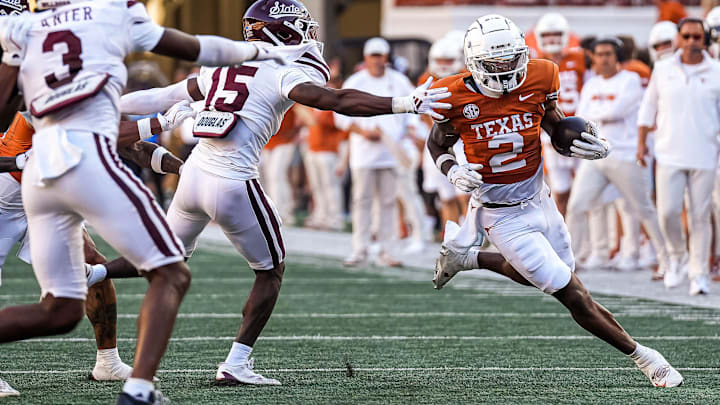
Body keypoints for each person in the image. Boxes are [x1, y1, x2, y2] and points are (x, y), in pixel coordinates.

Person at [83, 0, 450, 388]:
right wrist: (405, 103)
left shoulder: (220, 66)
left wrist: (100, 106)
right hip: (232, 180)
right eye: (300, 26)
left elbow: (162, 96)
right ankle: (235, 363)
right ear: (282, 31)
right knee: (270, 271)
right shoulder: (282, 72)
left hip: (194, 175)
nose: (308, 34)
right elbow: (336, 101)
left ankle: (93, 273)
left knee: (164, 257)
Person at [0, 0, 293, 403]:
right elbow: (196, 49)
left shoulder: (26, 32)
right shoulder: (108, 16)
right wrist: (257, 52)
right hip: (72, 167)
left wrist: (171, 163)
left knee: (62, 309)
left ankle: (111, 362)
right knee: (172, 272)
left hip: (39, 177)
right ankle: (140, 391)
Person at [428, 14, 682, 388]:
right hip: (499, 214)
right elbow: (437, 142)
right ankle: (645, 358)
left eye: (511, 59)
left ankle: (469, 257)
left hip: (540, 197)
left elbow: (551, 121)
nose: (504, 70)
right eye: (494, 63)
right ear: (473, 62)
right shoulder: (452, 93)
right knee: (573, 293)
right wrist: (451, 168)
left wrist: (580, 142)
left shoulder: (542, 74)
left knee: (555, 274)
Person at [0, 105, 188, 396]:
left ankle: (108, 362)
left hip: (48, 198)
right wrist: (159, 121)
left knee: (92, 265)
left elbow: (133, 149)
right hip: (5, 196)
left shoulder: (92, 91)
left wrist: (186, 170)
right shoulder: (39, 88)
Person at [566, 37, 668, 276]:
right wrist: (597, 117)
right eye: (599, 54)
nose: (603, 59)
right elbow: (582, 117)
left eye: (608, 54)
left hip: (624, 153)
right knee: (577, 206)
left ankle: (668, 258)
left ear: (617, 57)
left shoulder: (630, 80)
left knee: (643, 208)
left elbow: (616, 111)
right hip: (595, 157)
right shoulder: (591, 84)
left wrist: (596, 116)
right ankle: (571, 258)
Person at [638, 17, 720, 295]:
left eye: (697, 37)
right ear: (678, 39)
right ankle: (676, 258)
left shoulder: (717, 71)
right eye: (686, 37)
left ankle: (699, 273)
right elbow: (648, 109)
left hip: (705, 153)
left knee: (700, 216)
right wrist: (641, 145)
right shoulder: (662, 69)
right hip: (668, 152)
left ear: (705, 40)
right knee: (668, 212)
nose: (691, 43)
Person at [337, 37, 421, 267]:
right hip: (363, 153)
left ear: (386, 57)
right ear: (366, 57)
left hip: (390, 152)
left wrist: (411, 129)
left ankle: (386, 249)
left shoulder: (398, 80)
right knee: (361, 202)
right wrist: (363, 132)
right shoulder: (356, 81)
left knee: (388, 202)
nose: (376, 60)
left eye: (380, 55)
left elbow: (414, 106)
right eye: (373, 55)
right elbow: (341, 117)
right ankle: (359, 249)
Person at [534, 13, 585, 218]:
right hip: (551, 133)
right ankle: (562, 233)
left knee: (584, 188)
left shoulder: (581, 59)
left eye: (557, 34)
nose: (552, 40)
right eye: (547, 35)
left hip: (580, 130)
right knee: (559, 189)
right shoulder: (534, 65)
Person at [420, 36, 468, 239]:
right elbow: (421, 113)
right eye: (440, 60)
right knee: (446, 196)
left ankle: (471, 236)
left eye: (448, 61)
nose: (443, 66)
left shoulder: (467, 78)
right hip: (437, 141)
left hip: (464, 142)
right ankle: (452, 239)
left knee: (465, 194)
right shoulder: (426, 80)